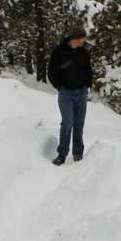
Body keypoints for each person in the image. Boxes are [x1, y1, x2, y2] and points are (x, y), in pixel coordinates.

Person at [48, 26, 93, 166]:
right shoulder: (59, 51)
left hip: (81, 91)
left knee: (79, 124)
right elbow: (51, 71)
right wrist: (59, 86)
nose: (85, 40)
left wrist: (87, 84)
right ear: (76, 38)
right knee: (67, 122)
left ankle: (78, 153)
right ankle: (62, 153)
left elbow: (88, 70)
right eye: (83, 37)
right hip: (65, 92)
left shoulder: (84, 53)